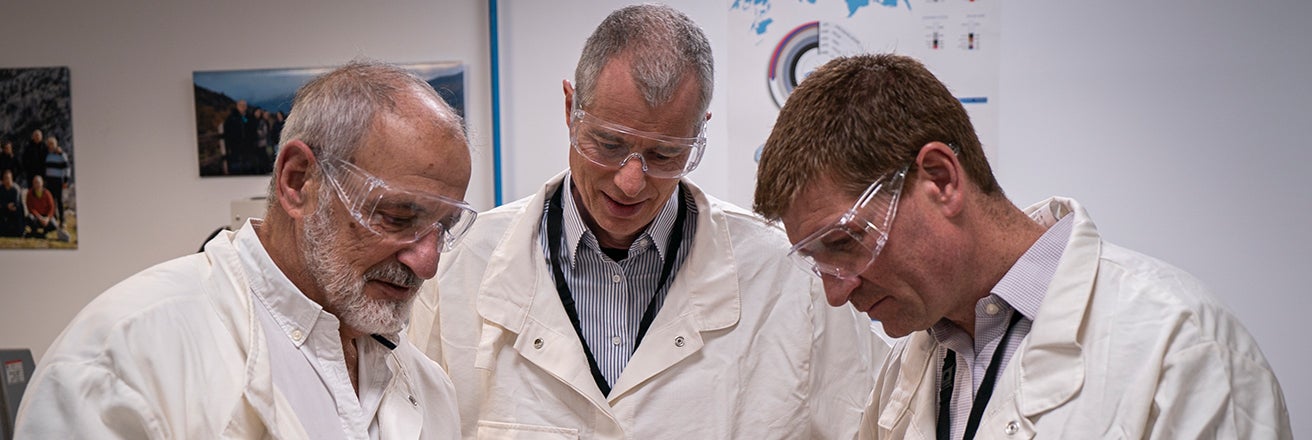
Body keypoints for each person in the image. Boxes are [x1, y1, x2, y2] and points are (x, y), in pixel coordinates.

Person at [753, 54, 1292, 439]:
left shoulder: (1179, 345)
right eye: (818, 263)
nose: (837, 294)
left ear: (941, 179)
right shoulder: (917, 363)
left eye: (846, 242)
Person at [407, 5, 884, 439]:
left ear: (700, 132)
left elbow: (868, 423)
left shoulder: (790, 281)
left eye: (665, 153)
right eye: (609, 145)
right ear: (571, 109)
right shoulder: (458, 269)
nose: (631, 182)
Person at [15, 61, 474, 439]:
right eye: (396, 217)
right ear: (299, 182)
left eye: (444, 227)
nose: (427, 263)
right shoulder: (125, 359)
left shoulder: (426, 385)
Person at [43, 135, 70, 224]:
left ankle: (62, 220)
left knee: (59, 200)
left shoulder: (61, 154)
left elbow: (67, 168)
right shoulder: (47, 154)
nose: (51, 145)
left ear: (56, 144)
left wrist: (66, 180)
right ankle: (53, 218)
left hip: (58, 180)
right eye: (49, 144)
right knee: (51, 200)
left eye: (52, 144)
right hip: (49, 180)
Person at [0, 169, 23, 237]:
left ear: (12, 179)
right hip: (4, 210)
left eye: (8, 178)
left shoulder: (16, 189)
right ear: (2, 180)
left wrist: (5, 205)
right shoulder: (1, 188)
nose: (7, 180)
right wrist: (6, 205)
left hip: (15, 211)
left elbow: (16, 203)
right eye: (5, 178)